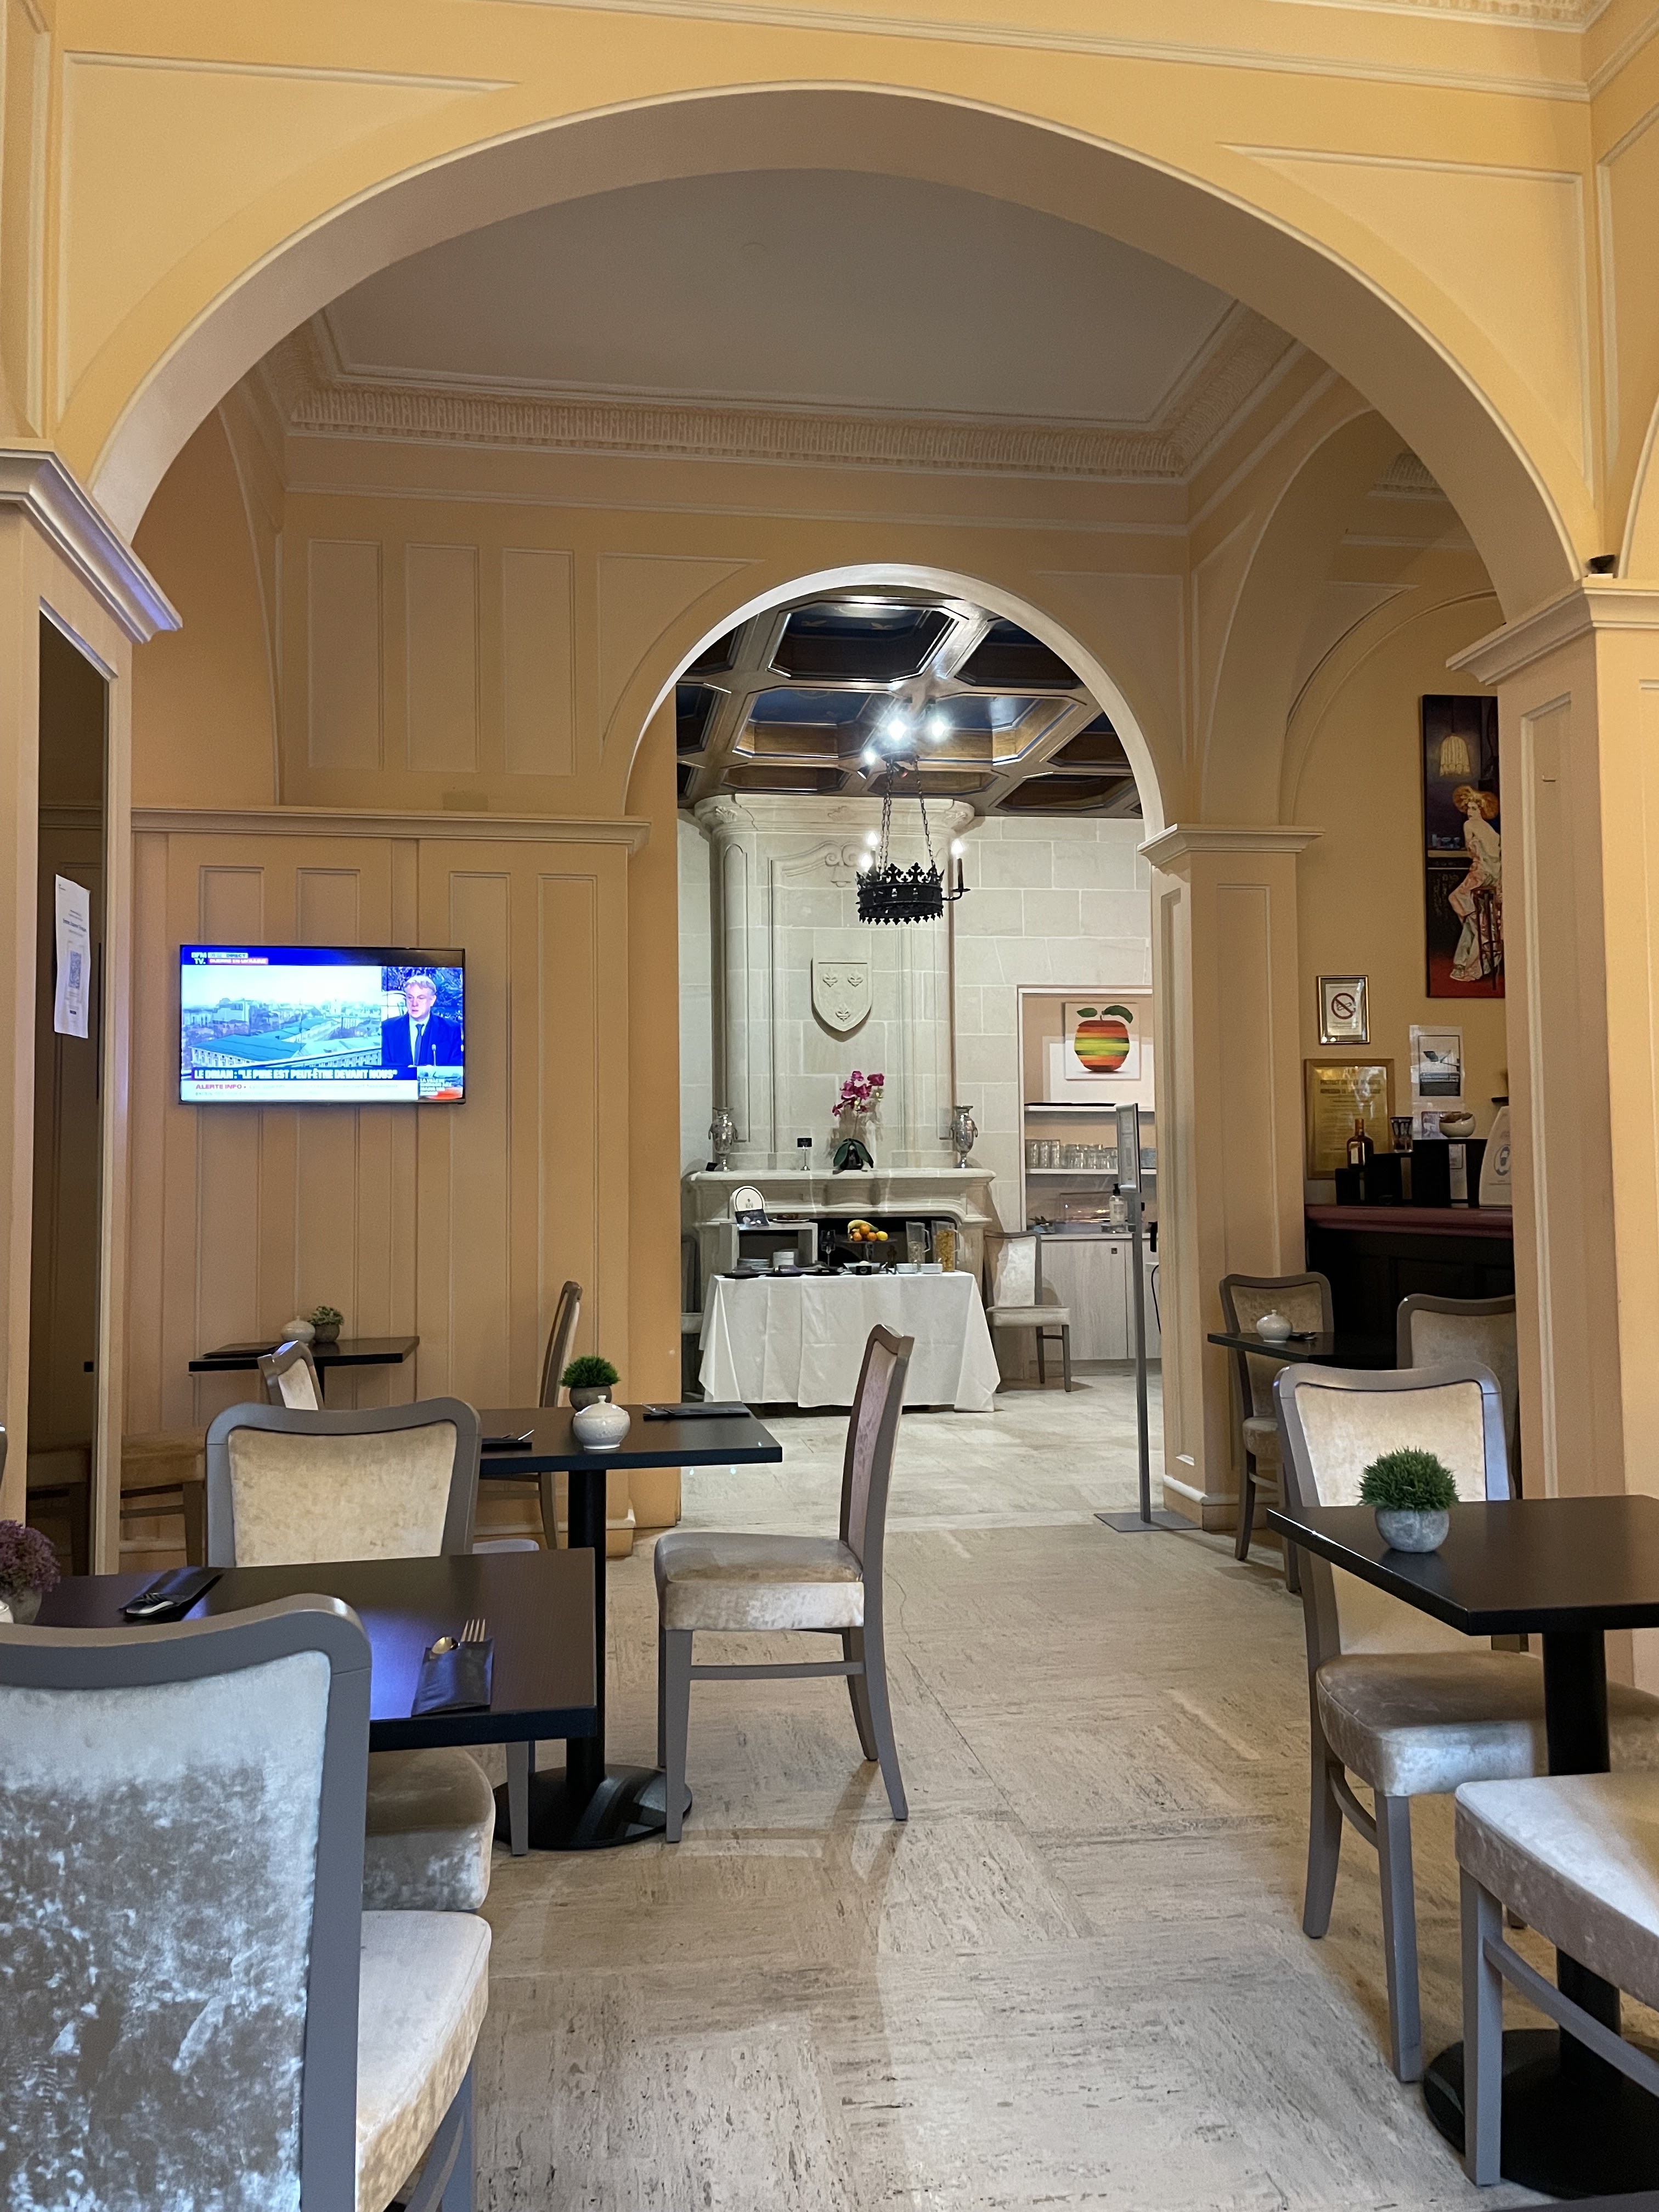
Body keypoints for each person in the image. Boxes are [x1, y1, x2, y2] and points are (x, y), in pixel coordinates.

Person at [1447, 785, 1502, 984]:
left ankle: (1476, 925)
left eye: (1474, 809)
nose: (1470, 812)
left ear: (1481, 810)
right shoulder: (1488, 829)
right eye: (1468, 809)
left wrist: (1476, 851)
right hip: (1493, 875)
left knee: (1456, 898)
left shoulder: (1470, 826)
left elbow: (1471, 853)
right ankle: (1475, 929)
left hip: (1482, 875)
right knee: (1473, 916)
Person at [380, 973, 462, 1074]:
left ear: (432, 1000)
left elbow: (456, 1068)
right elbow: (383, 1065)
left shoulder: (451, 1029)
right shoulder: (388, 1028)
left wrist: (434, 1073)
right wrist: (410, 1072)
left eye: (421, 998)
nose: (414, 1004)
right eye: (410, 998)